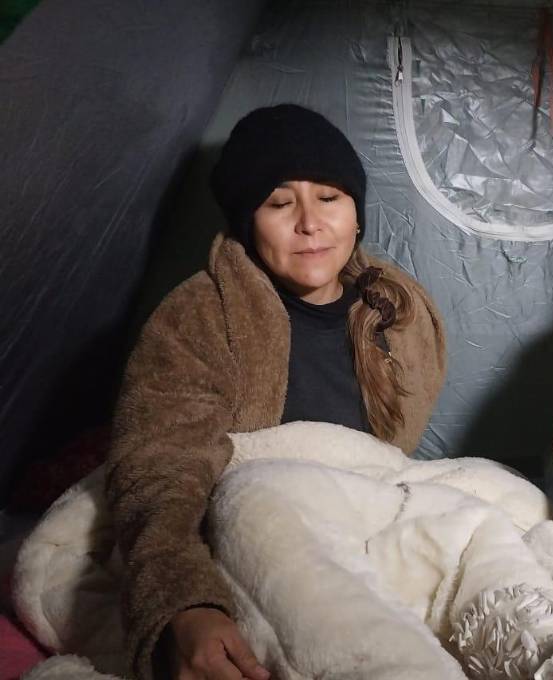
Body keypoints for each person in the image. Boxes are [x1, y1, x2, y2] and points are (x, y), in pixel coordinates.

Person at [106, 104, 446, 680]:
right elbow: (160, 465)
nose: (310, 223)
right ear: (246, 222)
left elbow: (390, 461)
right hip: (258, 526)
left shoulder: (397, 311)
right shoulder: (197, 317)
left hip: (364, 514)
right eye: (280, 202)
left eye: (330, 198)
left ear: (357, 214)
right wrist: (185, 605)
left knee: (499, 498)